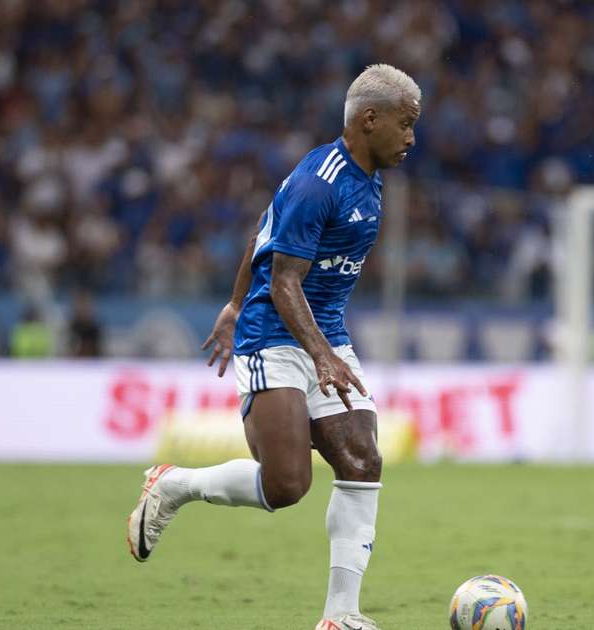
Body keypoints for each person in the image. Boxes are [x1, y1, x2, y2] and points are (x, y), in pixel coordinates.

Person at [126, 64, 420, 630]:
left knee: (363, 459)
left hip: (323, 334)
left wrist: (235, 302)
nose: (411, 138)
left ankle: (341, 616)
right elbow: (283, 282)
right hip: (275, 336)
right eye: (405, 125)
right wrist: (257, 318)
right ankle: (175, 485)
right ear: (369, 120)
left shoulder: (365, 175)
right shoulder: (321, 183)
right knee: (287, 486)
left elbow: (266, 223)